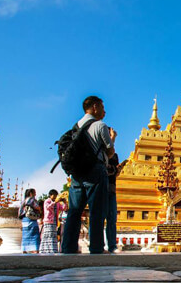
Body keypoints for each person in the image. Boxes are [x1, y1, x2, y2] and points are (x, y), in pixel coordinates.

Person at [62, 96, 117, 254]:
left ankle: (68, 248)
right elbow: (110, 151)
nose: (104, 111)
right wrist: (113, 138)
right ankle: (96, 247)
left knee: (74, 211)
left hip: (77, 173)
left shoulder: (76, 126)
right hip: (95, 170)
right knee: (97, 211)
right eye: (102, 107)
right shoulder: (100, 125)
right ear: (94, 107)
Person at [105, 154, 124, 253]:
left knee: (112, 219)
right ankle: (97, 245)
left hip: (112, 189)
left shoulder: (115, 156)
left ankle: (112, 245)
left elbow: (114, 172)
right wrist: (112, 169)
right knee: (97, 218)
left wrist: (116, 169)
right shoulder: (100, 152)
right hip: (100, 189)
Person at [39, 189, 67, 254]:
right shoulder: (47, 201)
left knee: (53, 236)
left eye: (56, 196)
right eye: (54, 195)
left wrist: (65, 202)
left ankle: (53, 249)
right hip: (48, 221)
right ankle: (45, 249)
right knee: (48, 235)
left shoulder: (57, 203)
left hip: (54, 222)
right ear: (50, 195)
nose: (55, 197)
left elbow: (63, 209)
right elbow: (48, 207)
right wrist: (54, 202)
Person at [20, 188, 41, 254]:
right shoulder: (32, 200)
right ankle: (35, 249)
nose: (35, 194)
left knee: (25, 236)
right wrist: (39, 209)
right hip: (32, 219)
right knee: (35, 235)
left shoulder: (23, 201)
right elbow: (37, 207)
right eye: (34, 192)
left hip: (25, 220)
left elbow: (20, 212)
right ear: (31, 193)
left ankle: (24, 249)